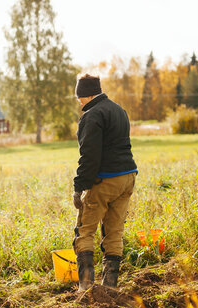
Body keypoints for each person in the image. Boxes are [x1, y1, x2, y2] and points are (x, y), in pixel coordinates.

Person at [72, 74, 137, 291]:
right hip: (128, 177)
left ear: (86, 95)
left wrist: (79, 186)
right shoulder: (119, 110)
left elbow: (89, 156)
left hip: (106, 179)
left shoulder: (92, 115)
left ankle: (86, 287)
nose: (79, 102)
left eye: (79, 98)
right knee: (114, 231)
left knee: (84, 230)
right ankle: (110, 287)